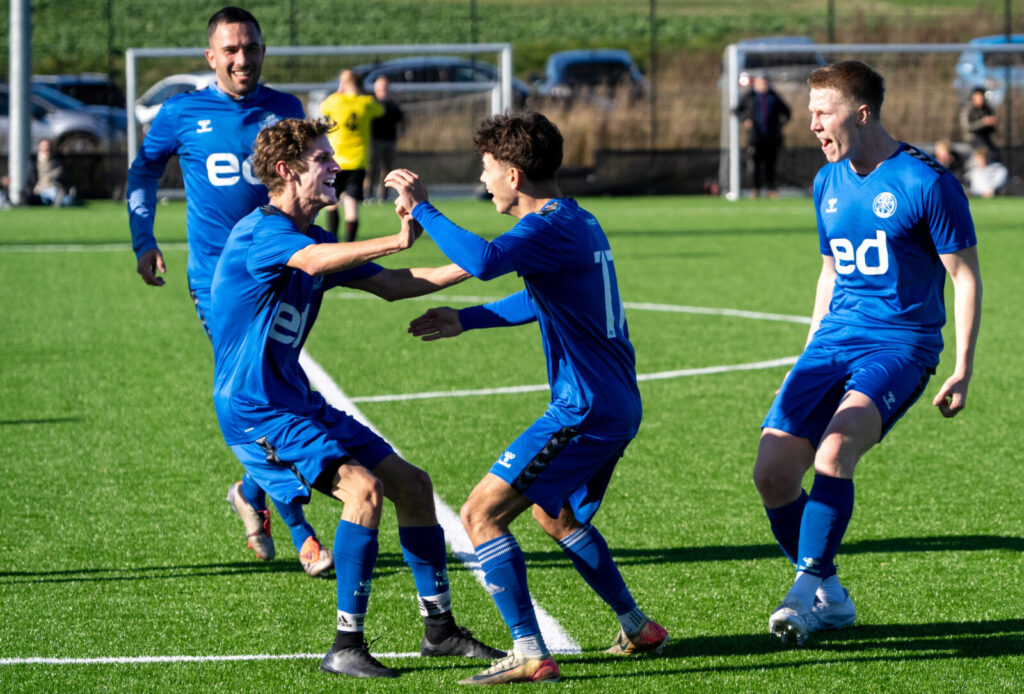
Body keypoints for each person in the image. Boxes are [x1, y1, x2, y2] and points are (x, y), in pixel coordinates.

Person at [209, 116, 502, 679]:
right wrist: (397, 236)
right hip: (257, 408)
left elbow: (393, 285)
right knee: (363, 491)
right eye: (322, 158)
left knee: (413, 486)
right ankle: (346, 645)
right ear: (285, 171)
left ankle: (439, 630)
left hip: (295, 400)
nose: (336, 165)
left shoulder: (313, 237)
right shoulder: (262, 234)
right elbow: (312, 263)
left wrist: (485, 261)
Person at [386, 112, 669, 686]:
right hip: (613, 402)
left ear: (513, 175)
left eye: (487, 170)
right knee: (554, 513)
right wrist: (466, 320)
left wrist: (423, 208)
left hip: (584, 408)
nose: (483, 181)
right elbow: (543, 300)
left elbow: (485, 262)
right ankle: (636, 626)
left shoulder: (545, 227)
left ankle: (528, 651)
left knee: (480, 515)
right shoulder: (575, 219)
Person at [753, 61, 982, 647]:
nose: (812, 125)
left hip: (902, 344)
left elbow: (965, 277)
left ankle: (802, 593)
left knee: (835, 451)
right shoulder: (826, 181)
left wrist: (962, 368)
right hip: (834, 341)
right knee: (773, 472)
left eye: (822, 113)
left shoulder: (926, 182)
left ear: (861, 114)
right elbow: (830, 272)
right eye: (810, 114)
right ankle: (831, 597)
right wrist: (807, 353)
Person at [126, 6, 330, 576]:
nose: (243, 59)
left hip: (283, 272)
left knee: (274, 386)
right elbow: (143, 171)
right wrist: (143, 238)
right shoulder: (181, 112)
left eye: (252, 48)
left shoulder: (286, 109)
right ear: (211, 56)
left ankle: (248, 492)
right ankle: (303, 534)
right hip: (220, 282)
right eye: (231, 50)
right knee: (254, 393)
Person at [318, 69, 383, 241]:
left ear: (343, 84)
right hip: (358, 160)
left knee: (332, 202)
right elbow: (379, 110)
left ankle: (333, 241)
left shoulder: (335, 101)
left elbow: (322, 107)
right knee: (351, 203)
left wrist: (339, 92)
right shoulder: (366, 103)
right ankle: (349, 243)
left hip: (336, 160)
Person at [737, 74, 791, 198]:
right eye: (760, 83)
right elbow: (737, 110)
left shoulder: (774, 96)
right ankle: (755, 189)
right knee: (755, 164)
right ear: (756, 84)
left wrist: (781, 124)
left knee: (770, 164)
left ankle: (771, 189)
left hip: (772, 137)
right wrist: (745, 119)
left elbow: (787, 112)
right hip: (755, 138)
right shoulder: (749, 96)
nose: (763, 85)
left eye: (765, 83)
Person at [366, 76, 403, 202]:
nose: (384, 90)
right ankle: (368, 194)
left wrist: (397, 103)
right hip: (375, 140)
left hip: (390, 140)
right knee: (372, 168)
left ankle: (384, 195)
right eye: (381, 87)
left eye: (385, 87)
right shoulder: (371, 103)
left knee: (387, 169)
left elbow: (399, 118)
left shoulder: (392, 104)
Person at [33, 139, 77, 207]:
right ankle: (68, 199)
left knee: (56, 194)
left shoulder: (56, 162)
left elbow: (59, 173)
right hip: (40, 190)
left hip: (52, 188)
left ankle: (68, 200)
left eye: (47, 147)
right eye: (43, 147)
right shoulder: (35, 162)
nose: (46, 149)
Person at [960, 87, 999, 158]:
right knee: (986, 153)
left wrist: (992, 123)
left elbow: (992, 131)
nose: (980, 99)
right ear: (973, 97)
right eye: (978, 96)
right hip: (972, 138)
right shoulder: (967, 109)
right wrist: (983, 122)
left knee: (996, 154)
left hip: (986, 139)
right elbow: (966, 127)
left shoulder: (987, 109)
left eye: (982, 96)